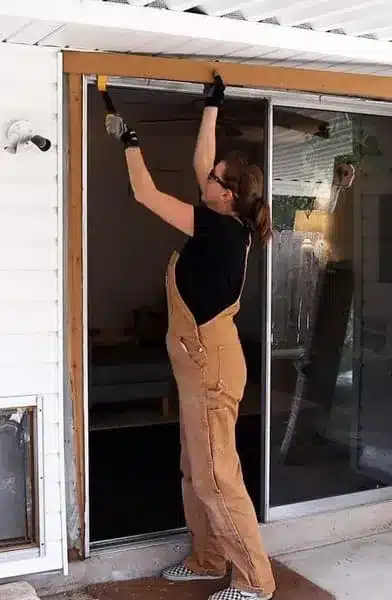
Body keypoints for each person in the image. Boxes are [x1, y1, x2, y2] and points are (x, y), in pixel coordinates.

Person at [104, 75, 276, 600]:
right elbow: (204, 163)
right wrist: (211, 107)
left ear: (225, 196)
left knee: (217, 477)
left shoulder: (218, 229)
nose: (204, 176)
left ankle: (253, 581)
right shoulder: (226, 217)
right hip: (200, 361)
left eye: (215, 178)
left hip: (211, 364)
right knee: (195, 468)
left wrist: (130, 143)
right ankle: (207, 560)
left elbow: (143, 193)